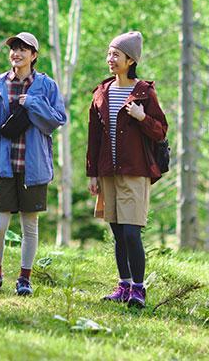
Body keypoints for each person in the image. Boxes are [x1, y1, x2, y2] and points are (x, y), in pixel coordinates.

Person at [0, 32, 67, 296]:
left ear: (34, 55)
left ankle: (24, 278)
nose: (17, 53)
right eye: (14, 49)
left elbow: (57, 120)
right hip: (2, 164)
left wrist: (34, 103)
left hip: (33, 166)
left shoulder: (46, 86)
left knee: (29, 226)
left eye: (23, 49)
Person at [86, 31, 168, 309]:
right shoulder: (101, 91)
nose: (110, 59)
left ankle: (138, 289)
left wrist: (142, 117)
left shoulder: (144, 92)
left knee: (132, 232)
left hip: (136, 171)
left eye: (116, 55)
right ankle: (123, 285)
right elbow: (94, 136)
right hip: (108, 171)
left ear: (130, 60)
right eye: (109, 53)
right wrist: (92, 173)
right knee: (118, 233)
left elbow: (161, 131)